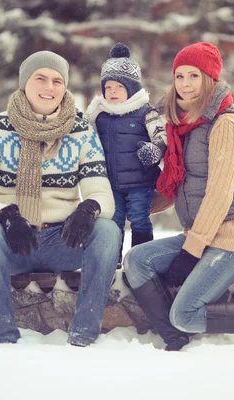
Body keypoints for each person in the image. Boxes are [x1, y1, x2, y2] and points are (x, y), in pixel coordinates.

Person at [123, 42, 234, 351]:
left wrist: (191, 251)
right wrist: (131, 210)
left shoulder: (226, 123)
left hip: (233, 240)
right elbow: (179, 184)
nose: (184, 84)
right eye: (179, 76)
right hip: (201, 235)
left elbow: (220, 194)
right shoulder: (183, 126)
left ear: (210, 79)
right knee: (137, 260)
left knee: (186, 313)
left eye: (193, 76)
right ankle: (175, 336)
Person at [0, 50, 121, 347]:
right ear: (24, 83)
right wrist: (6, 216)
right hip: (12, 239)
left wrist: (88, 209)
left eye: (58, 81)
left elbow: (103, 196)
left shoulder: (81, 131)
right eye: (41, 78)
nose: (50, 87)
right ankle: (4, 337)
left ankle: (83, 334)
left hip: (63, 240)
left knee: (108, 230)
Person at [85, 42, 167, 266]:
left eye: (118, 87)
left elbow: (162, 137)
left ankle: (140, 258)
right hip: (110, 183)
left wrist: (154, 151)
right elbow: (85, 139)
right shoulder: (98, 116)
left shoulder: (145, 113)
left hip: (140, 182)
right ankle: (114, 259)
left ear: (131, 88)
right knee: (114, 220)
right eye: (108, 88)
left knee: (140, 218)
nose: (112, 92)